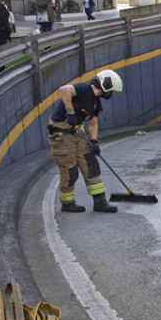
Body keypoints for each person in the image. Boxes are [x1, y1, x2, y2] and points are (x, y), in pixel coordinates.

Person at [47, 70, 123, 213]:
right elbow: (64, 90)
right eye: (111, 90)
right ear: (106, 85)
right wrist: (70, 113)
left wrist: (94, 141)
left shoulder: (96, 103)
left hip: (77, 132)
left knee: (90, 163)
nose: (110, 94)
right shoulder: (83, 89)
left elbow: (93, 123)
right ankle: (68, 203)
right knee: (70, 169)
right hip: (61, 132)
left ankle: (99, 201)